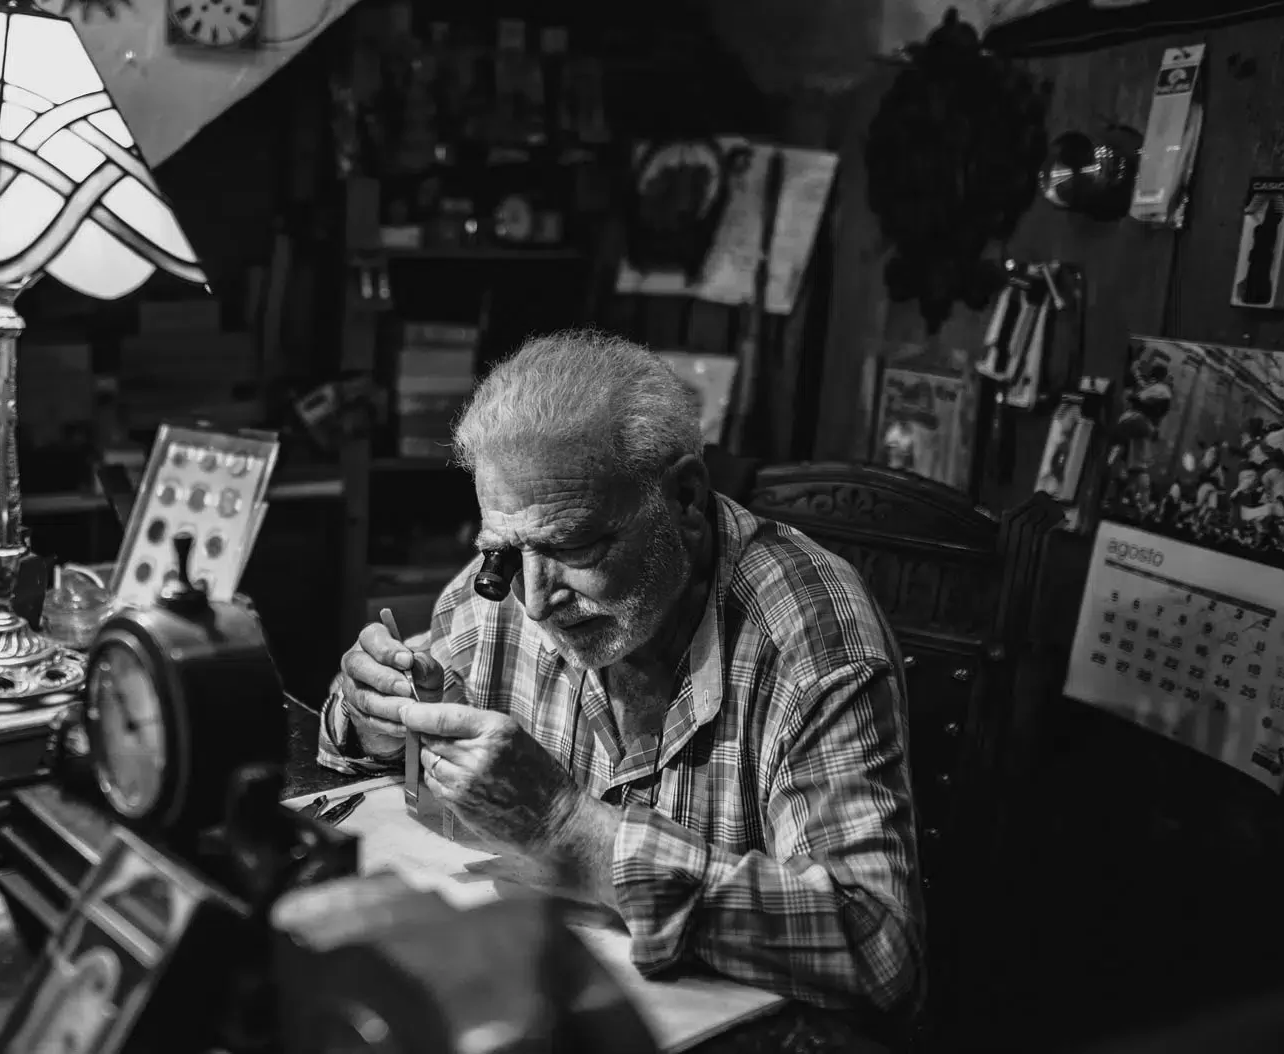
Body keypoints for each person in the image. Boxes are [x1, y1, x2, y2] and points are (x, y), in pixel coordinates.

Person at [318, 331, 924, 1024]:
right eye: (506, 551)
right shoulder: (509, 585)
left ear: (685, 500)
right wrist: (374, 718)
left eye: (574, 546)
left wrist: (570, 831)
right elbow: (365, 732)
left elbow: (878, 949)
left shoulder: (811, 632)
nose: (539, 599)